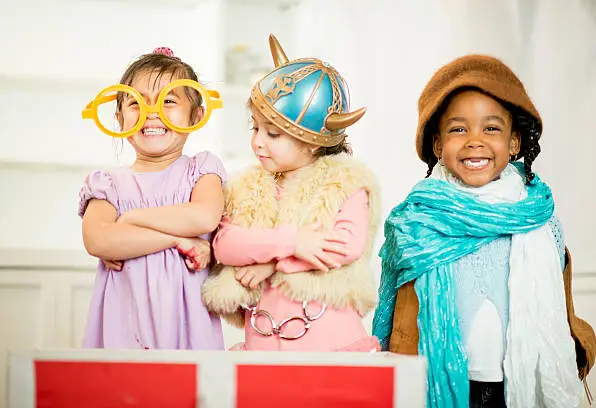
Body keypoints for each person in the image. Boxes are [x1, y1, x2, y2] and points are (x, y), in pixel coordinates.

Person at [372, 54, 595, 408]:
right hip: (433, 384)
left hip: (514, 387)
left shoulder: (538, 221)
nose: (475, 140)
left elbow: (561, 310)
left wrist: (577, 346)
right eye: (458, 129)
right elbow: (390, 313)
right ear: (437, 145)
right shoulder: (415, 223)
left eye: (491, 128)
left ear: (514, 143)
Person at [201, 34, 381, 352]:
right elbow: (226, 246)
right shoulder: (247, 187)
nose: (258, 141)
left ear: (313, 141)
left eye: (272, 133)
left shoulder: (344, 184)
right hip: (264, 346)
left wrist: (270, 264)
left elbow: (345, 246)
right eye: (254, 128)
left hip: (330, 345)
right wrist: (293, 242)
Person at [79, 47, 226, 350]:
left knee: (189, 394)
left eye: (169, 100)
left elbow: (203, 217)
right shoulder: (108, 184)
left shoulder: (202, 170)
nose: (152, 112)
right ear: (119, 118)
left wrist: (130, 220)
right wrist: (177, 241)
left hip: (187, 329)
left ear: (196, 114)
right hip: (123, 326)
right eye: (136, 103)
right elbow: (98, 241)